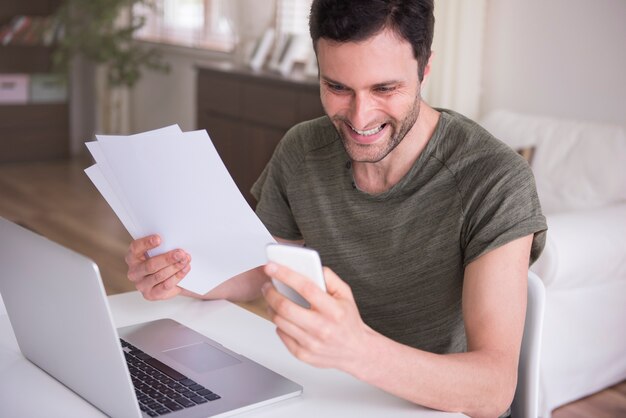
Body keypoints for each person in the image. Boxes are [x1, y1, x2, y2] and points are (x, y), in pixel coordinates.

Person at [125, 0, 547, 416]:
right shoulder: (302, 149)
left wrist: (357, 350)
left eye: (385, 88)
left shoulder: (494, 179)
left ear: (425, 69)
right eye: (338, 87)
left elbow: (493, 391)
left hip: (432, 406)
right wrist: (184, 276)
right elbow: (263, 270)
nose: (360, 118)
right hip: (328, 392)